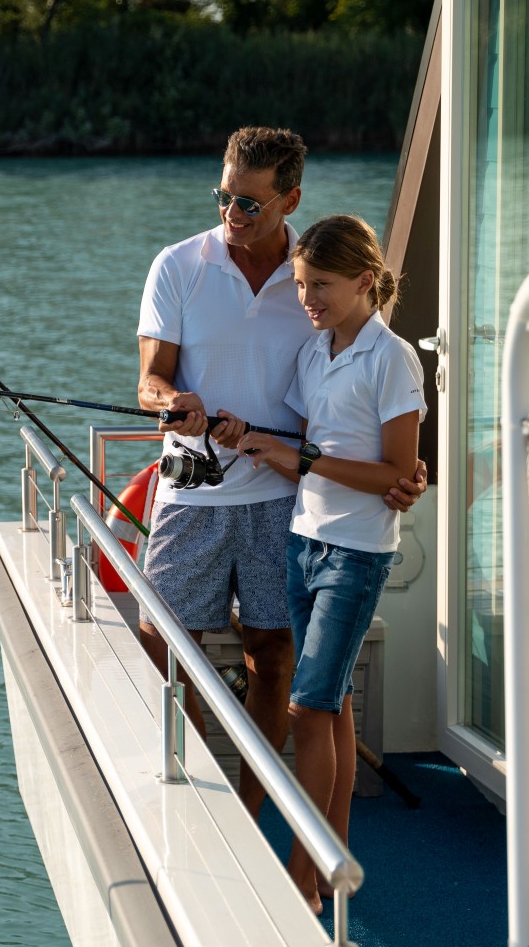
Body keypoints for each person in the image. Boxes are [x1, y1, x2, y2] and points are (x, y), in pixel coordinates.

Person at [135, 127, 425, 820]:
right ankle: (199, 775)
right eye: (225, 197)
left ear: (291, 197)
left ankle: (249, 804)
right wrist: (173, 400)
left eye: (250, 204)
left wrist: (402, 471)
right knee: (162, 640)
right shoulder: (178, 266)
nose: (232, 215)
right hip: (192, 491)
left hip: (290, 502)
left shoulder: (314, 282)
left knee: (273, 650)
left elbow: (364, 389)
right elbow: (149, 379)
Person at [223, 214, 425, 913]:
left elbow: (395, 471)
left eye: (322, 286)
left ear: (365, 281)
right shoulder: (314, 355)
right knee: (332, 703)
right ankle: (327, 862)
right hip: (302, 542)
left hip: (357, 553)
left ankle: (301, 876)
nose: (308, 299)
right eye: (303, 285)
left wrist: (301, 459)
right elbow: (309, 451)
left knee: (308, 707)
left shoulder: (393, 358)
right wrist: (250, 439)